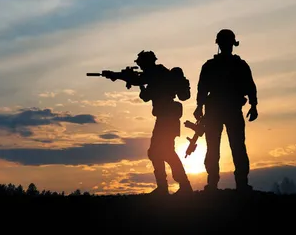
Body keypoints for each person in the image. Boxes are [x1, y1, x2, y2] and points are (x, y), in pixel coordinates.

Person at [109, 50, 193, 195]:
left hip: (167, 118)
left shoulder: (157, 73)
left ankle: (176, 186)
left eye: (141, 64)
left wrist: (122, 77)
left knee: (160, 152)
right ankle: (172, 186)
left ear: (147, 63)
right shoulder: (157, 74)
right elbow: (146, 95)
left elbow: (141, 84)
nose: (140, 67)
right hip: (166, 118)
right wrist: (125, 78)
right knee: (159, 152)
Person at [193, 29, 259, 192]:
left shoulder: (213, 65)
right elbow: (202, 89)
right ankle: (231, 183)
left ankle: (221, 183)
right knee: (229, 147)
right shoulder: (237, 65)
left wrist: (254, 105)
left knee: (225, 147)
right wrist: (253, 105)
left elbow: (250, 86)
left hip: (220, 110)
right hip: (225, 110)